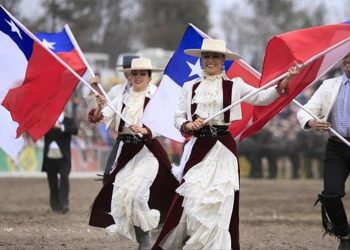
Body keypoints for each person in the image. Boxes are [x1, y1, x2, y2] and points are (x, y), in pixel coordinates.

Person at [153, 38, 299, 250]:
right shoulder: (189, 87)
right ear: (202, 60)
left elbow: (263, 98)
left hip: (223, 149)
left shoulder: (235, 85)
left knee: (221, 203)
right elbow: (177, 117)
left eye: (215, 57)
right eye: (207, 57)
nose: (210, 61)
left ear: (223, 61)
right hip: (198, 148)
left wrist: (284, 81)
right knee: (193, 201)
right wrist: (188, 124)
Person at [88, 58, 178, 250]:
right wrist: (99, 107)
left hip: (148, 152)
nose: (137, 77)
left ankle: (146, 237)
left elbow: (167, 124)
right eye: (134, 73)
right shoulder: (122, 98)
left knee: (137, 195)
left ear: (149, 77)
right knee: (123, 194)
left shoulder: (156, 97)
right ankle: (142, 238)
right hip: (126, 152)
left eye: (142, 74)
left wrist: (146, 130)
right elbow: (100, 117)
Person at [297, 52, 350, 250]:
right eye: (346, 57)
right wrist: (311, 121)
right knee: (330, 194)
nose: (348, 60)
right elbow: (304, 110)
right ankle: (345, 235)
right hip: (336, 146)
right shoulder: (329, 85)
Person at [88, 55, 141, 184]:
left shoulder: (152, 91)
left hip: (144, 140)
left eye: (132, 70)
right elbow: (99, 113)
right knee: (108, 175)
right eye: (126, 70)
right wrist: (94, 89)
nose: (129, 74)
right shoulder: (117, 91)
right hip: (123, 138)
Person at [42, 110, 78, 214]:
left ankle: (64, 204)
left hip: (64, 157)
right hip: (50, 156)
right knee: (52, 182)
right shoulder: (47, 120)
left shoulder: (68, 120)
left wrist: (61, 127)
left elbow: (75, 130)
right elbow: (40, 130)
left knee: (64, 178)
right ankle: (55, 206)